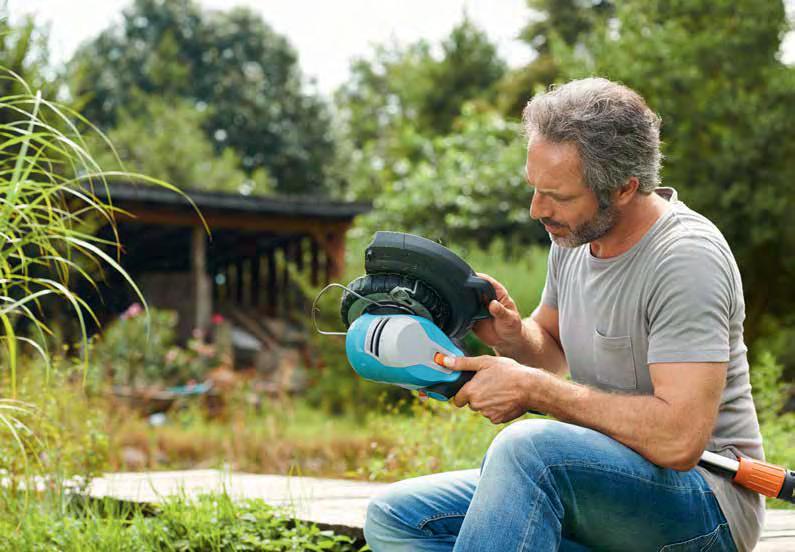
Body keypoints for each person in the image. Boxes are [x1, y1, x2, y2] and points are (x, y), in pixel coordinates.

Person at [363, 78, 765, 551]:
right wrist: (511, 336)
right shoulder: (574, 238)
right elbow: (551, 356)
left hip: (704, 505)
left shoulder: (686, 260)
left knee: (528, 449)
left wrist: (534, 389)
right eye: (535, 189)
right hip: (600, 485)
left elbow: (679, 440)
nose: (537, 210)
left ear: (623, 188)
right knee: (396, 518)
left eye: (557, 196)